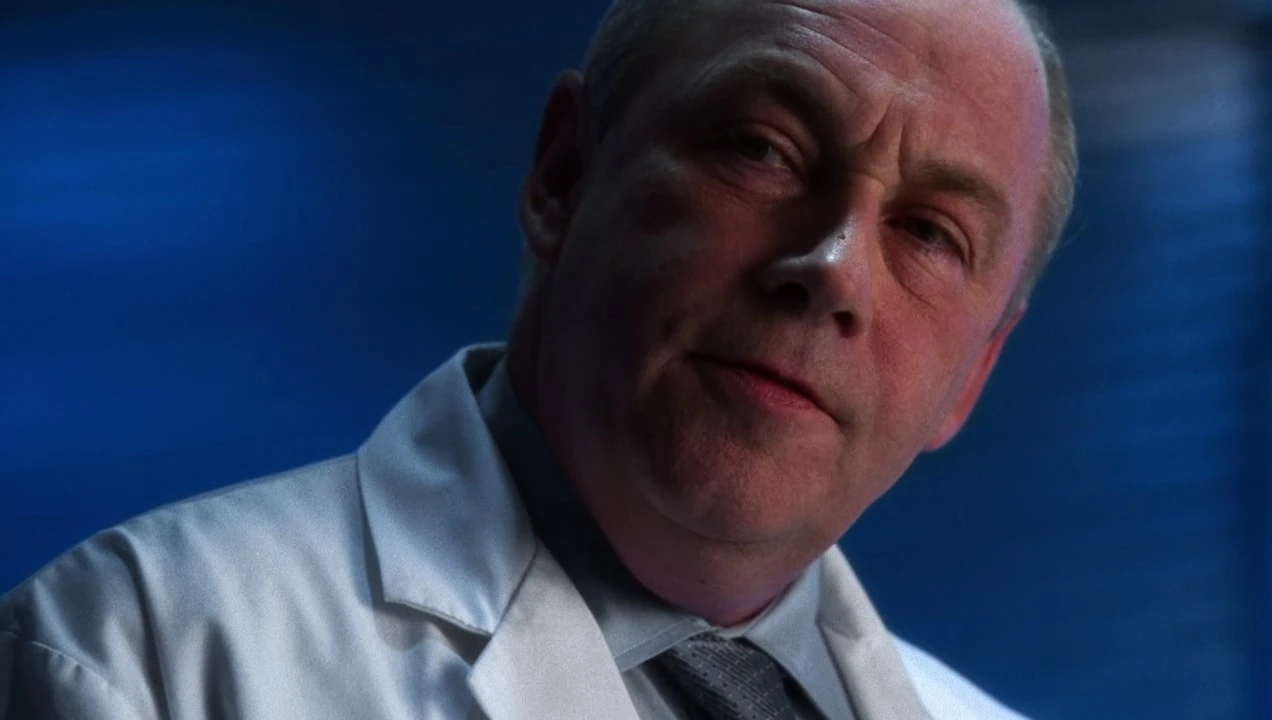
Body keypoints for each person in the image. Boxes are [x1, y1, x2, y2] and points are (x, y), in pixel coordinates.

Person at [0, 0, 1077, 716]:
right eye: (762, 150)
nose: (833, 270)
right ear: (564, 175)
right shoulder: (137, 657)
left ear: (974, 376)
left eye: (930, 234)